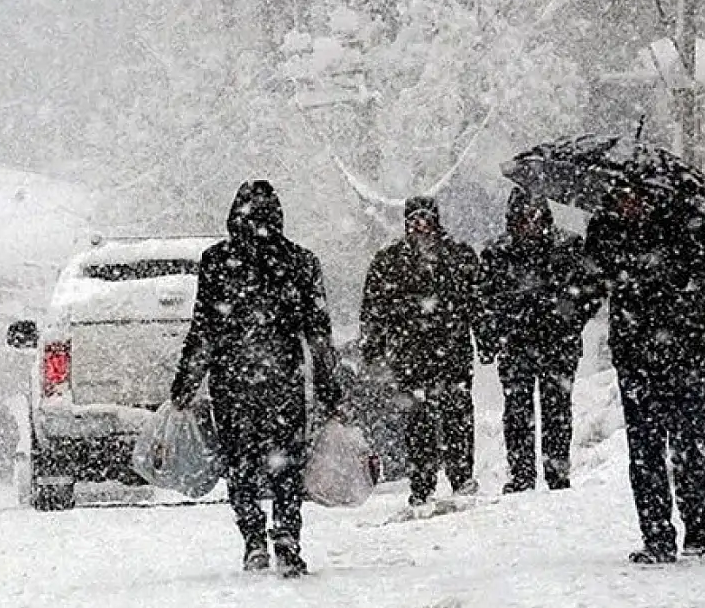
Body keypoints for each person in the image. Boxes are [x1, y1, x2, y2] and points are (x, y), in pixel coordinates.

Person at [171, 180, 344, 578]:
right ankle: (287, 538)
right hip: (283, 380)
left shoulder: (217, 262)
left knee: (242, 463)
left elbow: (204, 330)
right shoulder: (300, 261)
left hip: (233, 381)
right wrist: (330, 390)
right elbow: (319, 334)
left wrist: (186, 383)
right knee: (286, 464)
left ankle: (253, 539)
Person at [585, 186, 705, 564]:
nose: (629, 204)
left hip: (685, 352)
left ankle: (697, 527)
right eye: (621, 197)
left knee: (688, 443)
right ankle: (656, 535)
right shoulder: (606, 230)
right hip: (636, 357)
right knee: (644, 450)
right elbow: (589, 285)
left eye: (635, 196)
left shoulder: (689, 227)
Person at [360, 196, 484, 506]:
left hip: (452, 350)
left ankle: (461, 476)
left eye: (426, 218)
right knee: (418, 421)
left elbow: (479, 303)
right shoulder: (390, 261)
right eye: (414, 219)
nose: (421, 225)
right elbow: (373, 310)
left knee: (457, 415)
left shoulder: (459, 257)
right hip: (410, 353)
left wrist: (487, 339)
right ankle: (422, 483)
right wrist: (373, 350)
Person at [480, 188, 603, 494]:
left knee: (557, 410)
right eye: (522, 218)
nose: (529, 224)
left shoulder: (569, 247)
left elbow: (593, 289)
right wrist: (492, 334)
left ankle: (557, 472)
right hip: (516, 343)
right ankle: (522, 474)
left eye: (533, 216)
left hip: (558, 343)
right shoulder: (496, 254)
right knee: (517, 410)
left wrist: (572, 317)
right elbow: (483, 300)